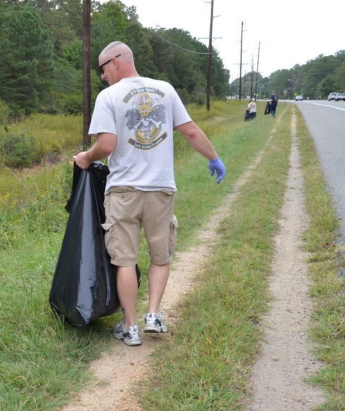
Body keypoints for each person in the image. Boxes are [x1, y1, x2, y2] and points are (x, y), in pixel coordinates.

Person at [73, 41, 226, 347]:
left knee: (125, 259)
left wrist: (85, 158)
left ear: (116, 62)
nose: (102, 76)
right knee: (160, 255)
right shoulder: (165, 90)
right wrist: (213, 157)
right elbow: (191, 131)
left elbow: (106, 145)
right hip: (160, 189)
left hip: (124, 192)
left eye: (102, 69)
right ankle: (153, 316)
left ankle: (130, 328)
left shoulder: (109, 96)